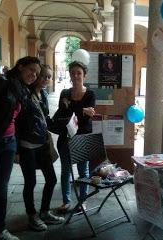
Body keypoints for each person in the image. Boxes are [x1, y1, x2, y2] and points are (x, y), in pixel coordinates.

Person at [0, 56, 41, 240]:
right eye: (31, 70)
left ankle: (0, 230)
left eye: (36, 73)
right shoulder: (0, 83)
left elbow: (16, 119)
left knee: (2, 187)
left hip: (9, 142)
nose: (34, 75)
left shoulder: (22, 90)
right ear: (20, 66)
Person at [16, 65, 64, 232]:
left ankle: (44, 212)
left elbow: (46, 119)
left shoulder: (43, 94)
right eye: (43, 76)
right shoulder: (24, 94)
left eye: (49, 77)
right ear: (36, 76)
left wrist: (66, 124)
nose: (46, 80)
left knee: (51, 179)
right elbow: (16, 122)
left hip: (42, 144)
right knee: (30, 182)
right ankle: (32, 216)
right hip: (27, 145)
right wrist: (16, 150)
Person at [55, 61, 96, 212]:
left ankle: (82, 202)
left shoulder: (90, 94)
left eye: (79, 73)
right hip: (66, 137)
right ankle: (66, 201)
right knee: (65, 171)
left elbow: (86, 119)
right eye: (73, 73)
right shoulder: (64, 93)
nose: (76, 76)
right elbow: (63, 114)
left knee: (83, 172)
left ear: (84, 75)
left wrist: (71, 106)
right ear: (70, 75)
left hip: (82, 138)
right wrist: (82, 110)